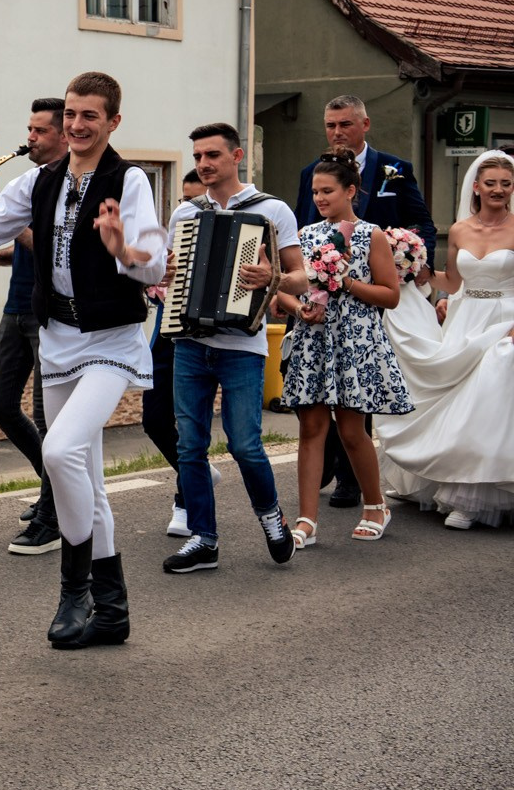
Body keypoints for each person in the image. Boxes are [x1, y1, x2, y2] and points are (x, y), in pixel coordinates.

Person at [0, 72, 167, 650]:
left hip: (111, 340)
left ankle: (75, 590)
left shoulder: (130, 179)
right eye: (70, 113)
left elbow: (152, 261)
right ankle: (111, 611)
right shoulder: (40, 181)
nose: (76, 124)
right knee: (84, 476)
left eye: (90, 115)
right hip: (59, 337)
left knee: (61, 449)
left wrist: (121, 247)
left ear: (113, 122)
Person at [160, 124, 306, 574]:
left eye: (212, 156)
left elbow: (302, 276)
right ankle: (204, 539)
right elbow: (168, 277)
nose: (204, 164)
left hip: (243, 344)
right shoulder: (185, 214)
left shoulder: (272, 210)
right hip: (189, 342)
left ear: (237, 155)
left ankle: (271, 516)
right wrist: (167, 278)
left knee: (245, 444)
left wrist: (273, 279)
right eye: (198, 156)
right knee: (190, 447)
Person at [295, 95, 435, 509]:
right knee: (324, 391)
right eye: (330, 125)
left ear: (364, 125)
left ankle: (358, 478)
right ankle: (339, 473)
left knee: (360, 391)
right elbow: (304, 226)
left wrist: (414, 256)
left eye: (344, 125)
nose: (337, 132)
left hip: (379, 287)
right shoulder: (313, 174)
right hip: (324, 293)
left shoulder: (394, 169)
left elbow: (420, 221)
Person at [274, 152, 411, 547]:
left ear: (350, 190)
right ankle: (306, 520)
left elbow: (390, 295)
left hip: (355, 340)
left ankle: (375, 505)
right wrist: (299, 307)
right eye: (315, 191)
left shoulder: (373, 235)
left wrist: (345, 282)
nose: (319, 197)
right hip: (313, 341)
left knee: (352, 430)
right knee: (311, 427)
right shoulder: (304, 236)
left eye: (327, 191)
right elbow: (283, 291)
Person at [379, 149, 514, 529]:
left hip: (506, 319)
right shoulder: (460, 230)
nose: (498, 190)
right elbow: (453, 282)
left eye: (505, 184)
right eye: (491, 183)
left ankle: (471, 498)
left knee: (489, 388)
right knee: (452, 398)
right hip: (466, 317)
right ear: (476, 186)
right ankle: (448, 480)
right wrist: (418, 272)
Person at [0, 99, 68, 556]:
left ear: (62, 135)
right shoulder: (30, 182)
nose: (30, 138)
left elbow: (63, 247)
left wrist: (15, 228)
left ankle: (53, 517)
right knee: (0, 406)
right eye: (29, 129)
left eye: (39, 131)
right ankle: (50, 489)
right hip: (16, 308)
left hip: (47, 314)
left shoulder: (65, 187)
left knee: (48, 419)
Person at [146, 170, 207, 538]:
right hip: (169, 327)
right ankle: (194, 471)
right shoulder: (179, 221)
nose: (186, 207)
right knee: (153, 418)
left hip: (211, 337)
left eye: (195, 201)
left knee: (189, 424)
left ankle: (185, 500)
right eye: (183, 199)